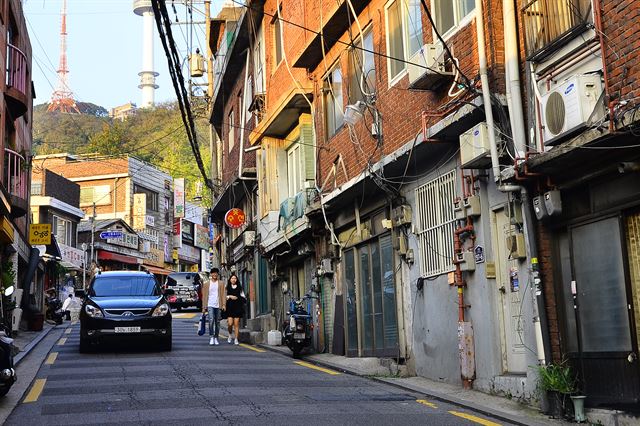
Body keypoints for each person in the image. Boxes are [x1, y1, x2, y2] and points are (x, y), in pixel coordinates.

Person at [201, 268, 226, 345]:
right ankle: (211, 336)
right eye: (213, 273)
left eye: (216, 273)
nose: (215, 275)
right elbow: (204, 296)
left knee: (217, 322)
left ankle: (216, 337)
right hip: (210, 304)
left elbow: (223, 294)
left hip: (218, 305)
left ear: (218, 274)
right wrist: (203, 307)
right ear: (211, 274)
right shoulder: (206, 284)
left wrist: (224, 304)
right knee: (211, 320)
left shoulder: (221, 283)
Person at [225, 273, 245, 345]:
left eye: (235, 278)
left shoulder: (240, 288)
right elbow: (224, 296)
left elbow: (243, 298)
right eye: (232, 278)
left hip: (237, 307)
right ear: (230, 280)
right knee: (230, 323)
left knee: (236, 324)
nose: (233, 279)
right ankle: (230, 335)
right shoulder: (227, 287)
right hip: (230, 307)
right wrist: (230, 296)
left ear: (236, 280)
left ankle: (236, 339)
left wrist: (237, 297)